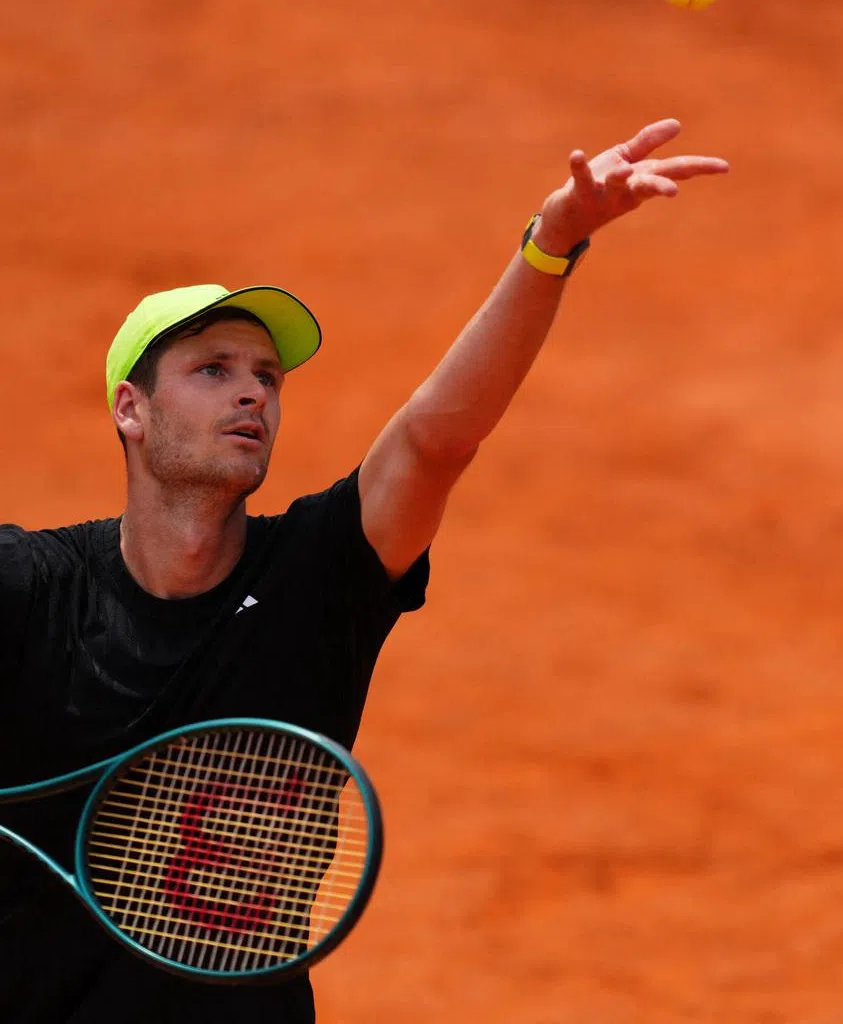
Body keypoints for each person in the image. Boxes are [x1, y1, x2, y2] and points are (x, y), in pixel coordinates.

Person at [0, 118, 729, 1023]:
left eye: (268, 376)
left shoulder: (315, 583)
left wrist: (551, 246)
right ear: (130, 409)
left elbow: (435, 441)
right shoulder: (29, 590)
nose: (252, 391)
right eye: (213, 369)